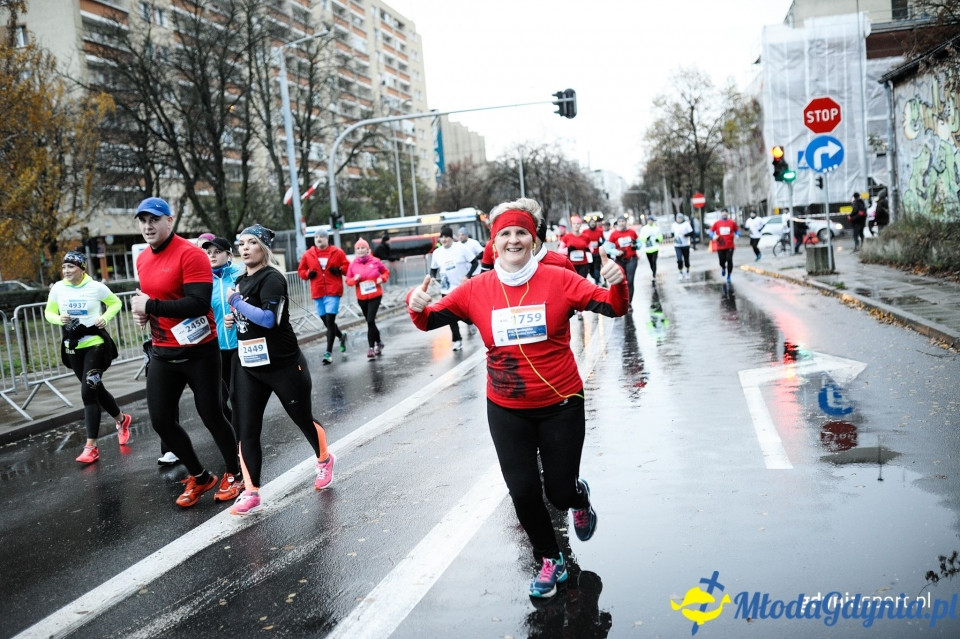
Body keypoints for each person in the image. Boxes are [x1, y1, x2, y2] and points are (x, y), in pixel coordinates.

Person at [407, 197, 628, 599]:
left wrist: (618, 282)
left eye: (521, 232)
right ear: (493, 244)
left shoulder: (559, 278)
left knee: (558, 493)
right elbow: (430, 319)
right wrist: (416, 306)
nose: (513, 240)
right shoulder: (477, 289)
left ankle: (580, 498)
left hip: (561, 402)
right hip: (507, 407)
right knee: (523, 491)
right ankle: (549, 558)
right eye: (504, 234)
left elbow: (613, 307)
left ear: (533, 238)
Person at [130, 197, 242, 508]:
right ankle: (200, 475)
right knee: (161, 421)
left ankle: (235, 473)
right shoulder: (143, 259)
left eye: (154, 219)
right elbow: (151, 297)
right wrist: (143, 313)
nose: (148, 226)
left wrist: (150, 306)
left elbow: (197, 303)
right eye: (143, 220)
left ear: (170, 219)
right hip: (163, 351)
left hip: (199, 352)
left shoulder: (191, 255)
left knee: (212, 414)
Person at [225, 224, 335, 515]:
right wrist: (233, 318)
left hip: (284, 364)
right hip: (249, 366)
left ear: (264, 248)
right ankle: (252, 492)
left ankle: (324, 459)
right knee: (245, 429)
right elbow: (247, 318)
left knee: (301, 418)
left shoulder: (272, 278)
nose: (245, 248)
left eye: (252, 243)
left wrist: (236, 302)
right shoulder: (239, 280)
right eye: (242, 243)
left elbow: (268, 319)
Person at [45, 251, 131, 464]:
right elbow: (49, 313)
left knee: (87, 393)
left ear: (82, 268)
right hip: (73, 347)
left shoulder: (96, 287)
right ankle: (122, 419)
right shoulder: (58, 288)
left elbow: (115, 303)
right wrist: (59, 319)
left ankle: (91, 447)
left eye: (71, 267)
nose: (66, 271)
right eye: (64, 267)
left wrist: (105, 317)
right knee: (95, 389)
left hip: (95, 345)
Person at [297, 229, 350, 365]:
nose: (318, 239)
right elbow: (301, 271)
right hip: (318, 291)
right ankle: (341, 336)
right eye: (316, 237)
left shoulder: (337, 252)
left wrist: (339, 270)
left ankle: (328, 353)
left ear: (327, 239)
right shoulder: (308, 254)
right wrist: (308, 274)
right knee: (326, 321)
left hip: (333, 291)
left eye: (321, 237)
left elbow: (347, 267)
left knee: (330, 321)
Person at [202, 236, 239, 423]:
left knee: (237, 394)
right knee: (218, 400)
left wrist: (237, 313)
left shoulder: (239, 275)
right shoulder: (204, 281)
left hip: (239, 345)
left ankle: (242, 438)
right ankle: (234, 429)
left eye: (217, 252)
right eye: (209, 253)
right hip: (215, 347)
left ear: (229, 254)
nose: (212, 256)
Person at [429, 225, 478, 351]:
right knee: (450, 315)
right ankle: (457, 340)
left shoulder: (461, 248)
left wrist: (467, 276)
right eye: (442, 237)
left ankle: (470, 322)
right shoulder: (437, 253)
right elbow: (433, 269)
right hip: (446, 290)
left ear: (451, 238)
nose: (444, 240)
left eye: (446, 237)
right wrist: (433, 277)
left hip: (461, 288)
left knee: (462, 312)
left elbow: (475, 262)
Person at [345, 238, 390, 358]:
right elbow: (348, 281)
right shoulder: (353, 264)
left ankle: (371, 348)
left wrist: (382, 278)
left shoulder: (375, 261)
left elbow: (385, 272)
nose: (360, 250)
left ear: (367, 249)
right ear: (355, 251)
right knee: (371, 322)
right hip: (362, 297)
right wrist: (355, 280)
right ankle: (379, 342)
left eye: (362, 248)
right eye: (358, 248)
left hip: (375, 295)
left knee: (370, 320)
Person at [608, 216, 638, 308]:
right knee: (620, 281)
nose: (622, 223)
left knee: (630, 281)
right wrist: (617, 252)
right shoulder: (613, 234)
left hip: (631, 259)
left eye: (623, 221)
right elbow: (608, 248)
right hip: (620, 260)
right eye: (620, 221)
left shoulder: (632, 232)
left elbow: (639, 244)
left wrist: (635, 245)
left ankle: (629, 303)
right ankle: (621, 300)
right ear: (617, 223)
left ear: (626, 222)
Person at [709, 209, 739, 282]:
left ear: (727, 214)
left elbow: (737, 230)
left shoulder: (732, 222)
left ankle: (729, 275)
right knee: (721, 261)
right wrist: (713, 236)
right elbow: (711, 231)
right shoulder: (717, 223)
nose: (724, 215)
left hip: (730, 245)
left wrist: (737, 235)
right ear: (721, 214)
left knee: (729, 259)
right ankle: (723, 267)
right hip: (720, 245)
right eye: (723, 214)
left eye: (725, 214)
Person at [638, 217, 663, 283]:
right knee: (651, 263)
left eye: (651, 220)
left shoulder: (656, 228)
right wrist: (646, 238)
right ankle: (653, 271)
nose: (650, 222)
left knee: (654, 262)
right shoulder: (644, 228)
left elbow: (660, 236)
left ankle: (654, 275)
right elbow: (641, 238)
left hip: (655, 248)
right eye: (649, 220)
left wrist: (658, 239)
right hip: (648, 249)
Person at [582, 216, 605, 285]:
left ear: (595, 223)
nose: (592, 224)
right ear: (588, 224)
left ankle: (597, 282)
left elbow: (604, 240)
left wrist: (601, 243)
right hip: (589, 254)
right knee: (591, 271)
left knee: (596, 269)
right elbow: (582, 241)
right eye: (591, 223)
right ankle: (597, 278)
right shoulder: (585, 232)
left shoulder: (600, 231)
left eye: (593, 223)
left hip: (597, 253)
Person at [671, 213, 694, 281]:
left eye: (680, 218)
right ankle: (680, 272)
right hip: (677, 245)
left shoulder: (686, 224)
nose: (679, 219)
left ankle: (687, 272)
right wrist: (673, 237)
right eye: (678, 218)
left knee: (686, 259)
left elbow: (691, 233)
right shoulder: (674, 225)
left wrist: (685, 235)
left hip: (685, 244)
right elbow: (672, 233)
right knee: (679, 259)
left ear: (682, 218)